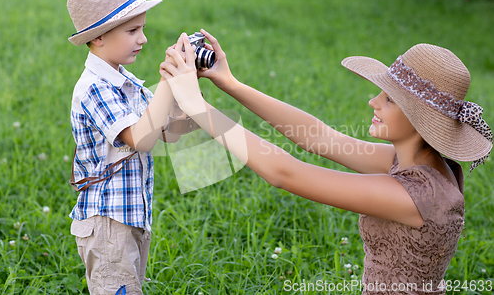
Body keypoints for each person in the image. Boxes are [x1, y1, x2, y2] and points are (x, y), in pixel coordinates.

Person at [159, 31, 492, 294]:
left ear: (420, 119)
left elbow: (285, 174)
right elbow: (318, 137)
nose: (373, 101)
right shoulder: (414, 163)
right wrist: (230, 83)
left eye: (389, 98)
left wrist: (196, 105)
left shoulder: (417, 196)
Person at [66, 0, 177, 294]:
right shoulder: (95, 89)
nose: (142, 39)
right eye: (133, 30)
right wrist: (168, 84)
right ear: (98, 37)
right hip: (107, 224)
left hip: (131, 217)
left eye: (142, 29)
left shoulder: (125, 82)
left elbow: (168, 132)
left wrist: (183, 80)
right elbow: (142, 138)